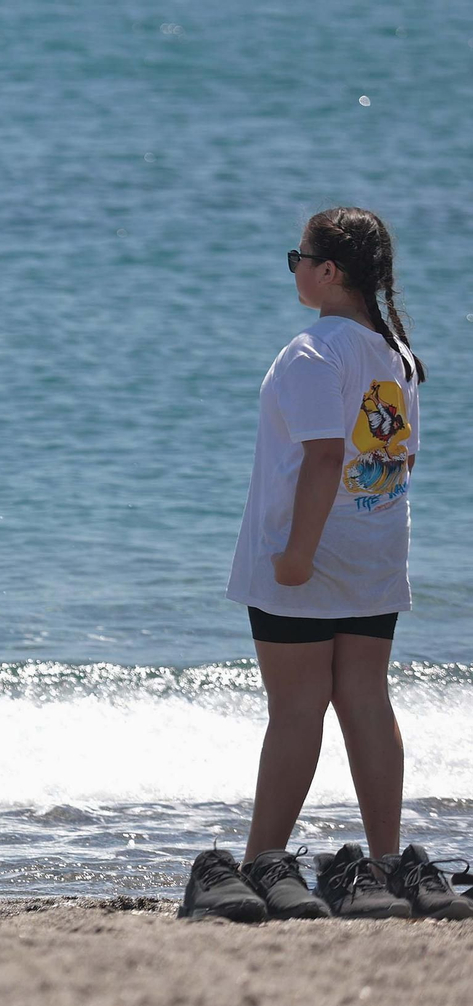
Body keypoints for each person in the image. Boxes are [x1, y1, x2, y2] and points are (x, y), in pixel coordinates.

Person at [179, 207, 464, 922]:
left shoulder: (313, 352)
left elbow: (326, 453)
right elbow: (394, 458)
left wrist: (298, 553)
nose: (295, 269)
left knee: (297, 709)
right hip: (374, 551)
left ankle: (263, 860)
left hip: (311, 556)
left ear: (328, 270)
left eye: (298, 258)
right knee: (366, 700)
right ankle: (388, 861)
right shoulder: (393, 353)